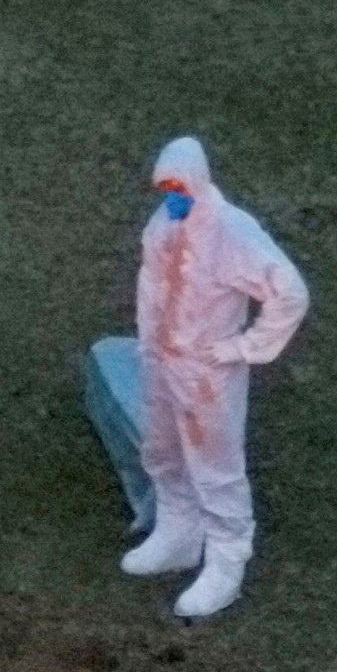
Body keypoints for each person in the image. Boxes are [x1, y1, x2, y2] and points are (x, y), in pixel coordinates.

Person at [120, 133, 310, 622]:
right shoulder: (164, 223)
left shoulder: (233, 233)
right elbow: (151, 287)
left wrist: (241, 348)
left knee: (215, 465)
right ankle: (178, 533)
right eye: (166, 190)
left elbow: (288, 292)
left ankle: (226, 562)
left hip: (206, 372)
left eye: (180, 189)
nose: (172, 199)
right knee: (161, 448)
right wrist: (148, 345)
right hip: (163, 360)